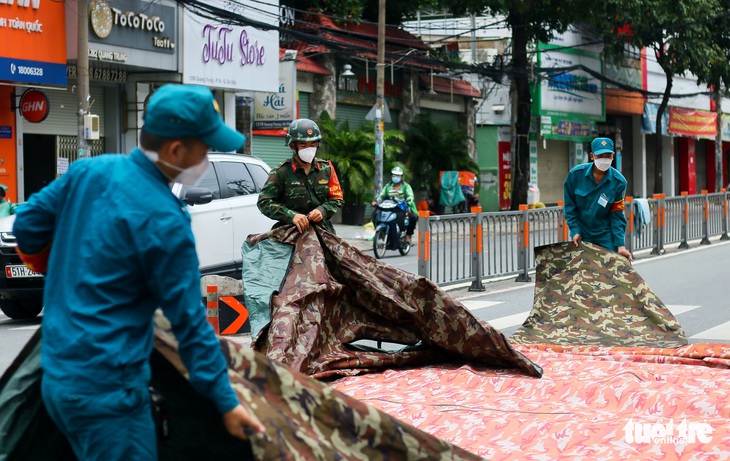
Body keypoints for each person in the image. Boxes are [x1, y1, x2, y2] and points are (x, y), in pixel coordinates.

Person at [12, 84, 264, 461]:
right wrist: (227, 403)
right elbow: (190, 325)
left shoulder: (88, 171)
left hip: (57, 377)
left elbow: (28, 226)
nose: (206, 157)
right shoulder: (165, 221)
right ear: (176, 150)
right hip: (109, 396)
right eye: (204, 148)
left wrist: (65, 266)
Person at [257, 118, 344, 234]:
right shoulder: (280, 172)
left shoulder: (327, 169)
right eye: (303, 145)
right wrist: (291, 216)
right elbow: (264, 201)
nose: (309, 149)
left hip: (323, 232)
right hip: (290, 232)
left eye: (313, 145)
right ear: (292, 146)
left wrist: (322, 210)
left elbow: (337, 198)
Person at [563, 137, 633, 262]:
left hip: (605, 235)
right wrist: (575, 230)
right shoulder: (575, 175)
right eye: (600, 155)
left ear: (613, 156)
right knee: (584, 275)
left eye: (608, 155)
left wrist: (620, 245)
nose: (604, 159)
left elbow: (617, 216)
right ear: (592, 156)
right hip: (582, 233)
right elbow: (570, 207)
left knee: (608, 275)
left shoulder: (619, 182)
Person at [372, 166, 418, 242]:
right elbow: (382, 196)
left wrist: (408, 201)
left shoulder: (406, 187)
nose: (395, 177)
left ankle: (407, 235)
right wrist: (376, 201)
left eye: (398, 176)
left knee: (412, 217)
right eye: (394, 175)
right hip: (389, 206)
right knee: (375, 214)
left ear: (401, 177)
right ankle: (381, 233)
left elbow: (410, 196)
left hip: (402, 207)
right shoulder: (387, 186)